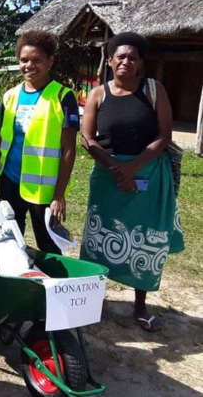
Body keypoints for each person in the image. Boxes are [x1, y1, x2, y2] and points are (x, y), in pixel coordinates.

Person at [80, 32, 184, 332]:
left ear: (140, 64)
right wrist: (116, 168)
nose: (126, 61)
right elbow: (88, 139)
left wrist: (133, 167)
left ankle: (139, 305)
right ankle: (94, 299)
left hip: (148, 171)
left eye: (132, 57)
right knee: (100, 238)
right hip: (106, 174)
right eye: (120, 57)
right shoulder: (98, 94)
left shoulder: (154, 90)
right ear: (110, 61)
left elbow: (164, 135)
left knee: (143, 238)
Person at [0, 30, 79, 254]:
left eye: (37, 60)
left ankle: (51, 287)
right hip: (9, 182)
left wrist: (59, 195)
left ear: (50, 61)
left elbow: (69, 149)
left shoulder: (62, 96)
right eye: (24, 60)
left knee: (48, 245)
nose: (29, 65)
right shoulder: (10, 96)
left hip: (43, 189)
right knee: (10, 241)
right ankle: (17, 285)